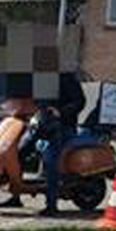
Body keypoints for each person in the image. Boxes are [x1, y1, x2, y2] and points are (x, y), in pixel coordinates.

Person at [15, 70, 88, 215]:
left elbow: (79, 102)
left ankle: (52, 205)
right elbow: (36, 99)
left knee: (50, 160)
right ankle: (15, 196)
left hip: (63, 127)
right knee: (20, 152)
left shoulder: (67, 78)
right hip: (42, 124)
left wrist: (61, 112)